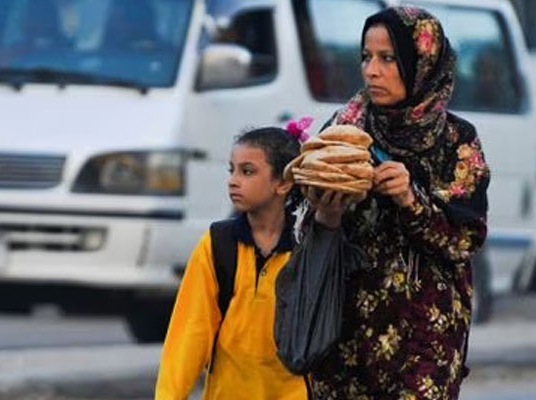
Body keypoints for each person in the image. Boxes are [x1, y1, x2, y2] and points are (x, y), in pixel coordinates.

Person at [290, 7, 490, 399]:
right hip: (345, 333)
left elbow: (465, 238)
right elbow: (304, 223)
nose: (371, 71)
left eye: (388, 59)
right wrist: (326, 211)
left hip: (424, 339)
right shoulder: (345, 128)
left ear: (421, 63)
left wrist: (410, 198)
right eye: (366, 57)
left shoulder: (456, 140)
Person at [155, 127, 309, 399]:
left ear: (283, 183)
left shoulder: (308, 247)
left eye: (247, 171)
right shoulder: (218, 243)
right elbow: (191, 330)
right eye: (232, 170)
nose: (233, 181)